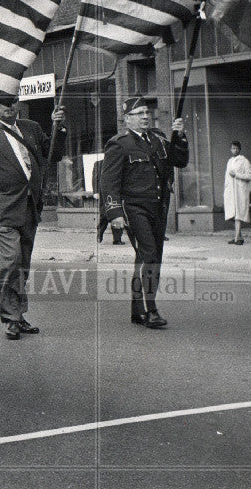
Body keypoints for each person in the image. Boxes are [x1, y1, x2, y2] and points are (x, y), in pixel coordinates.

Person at [0, 96, 66, 340]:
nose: (9, 107)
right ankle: (11, 318)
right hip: (1, 209)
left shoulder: (32, 128)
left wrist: (59, 127)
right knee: (10, 261)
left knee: (22, 264)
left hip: (29, 206)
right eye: (3, 103)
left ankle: (18, 314)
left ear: (18, 105)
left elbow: (54, 155)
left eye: (13, 103)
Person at [100, 96, 188, 329]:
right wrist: (114, 212)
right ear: (127, 119)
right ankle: (151, 310)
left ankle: (138, 310)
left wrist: (179, 136)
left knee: (153, 257)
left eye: (147, 112)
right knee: (148, 253)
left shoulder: (157, 139)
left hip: (157, 207)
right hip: (133, 207)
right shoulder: (119, 144)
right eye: (139, 113)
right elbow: (108, 182)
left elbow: (180, 161)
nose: (145, 116)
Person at [223, 140, 251, 246]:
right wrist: (226, 190)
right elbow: (227, 178)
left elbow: (250, 176)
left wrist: (237, 175)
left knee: (239, 215)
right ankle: (239, 237)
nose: (234, 150)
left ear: (239, 149)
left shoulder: (244, 161)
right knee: (232, 215)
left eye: (236, 148)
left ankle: (236, 238)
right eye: (232, 148)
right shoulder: (230, 161)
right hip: (231, 192)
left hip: (240, 191)